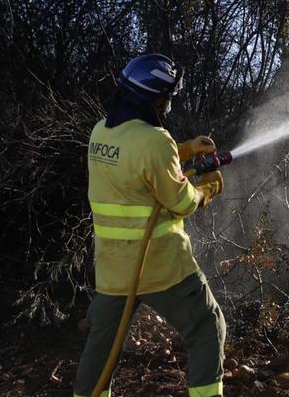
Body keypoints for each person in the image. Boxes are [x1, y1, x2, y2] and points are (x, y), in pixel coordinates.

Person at [73, 54, 226, 397]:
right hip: (161, 268)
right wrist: (209, 187)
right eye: (167, 98)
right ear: (157, 99)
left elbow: (137, 163)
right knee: (206, 326)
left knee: (101, 350)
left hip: (113, 272)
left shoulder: (100, 132)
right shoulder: (156, 141)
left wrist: (184, 150)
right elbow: (181, 202)